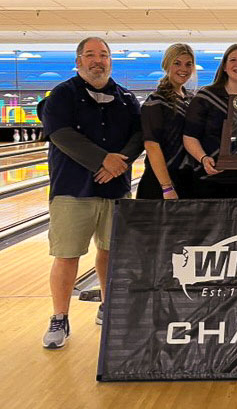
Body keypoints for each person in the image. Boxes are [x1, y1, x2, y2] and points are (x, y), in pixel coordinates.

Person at [38, 37, 143, 349]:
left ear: (111, 60)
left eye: (103, 55)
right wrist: (103, 160)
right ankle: (59, 318)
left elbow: (139, 135)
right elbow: (61, 134)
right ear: (79, 60)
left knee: (112, 252)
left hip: (116, 188)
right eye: (90, 55)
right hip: (72, 188)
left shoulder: (126, 98)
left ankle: (107, 307)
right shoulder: (62, 94)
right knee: (67, 255)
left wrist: (118, 163)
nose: (98, 60)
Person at [183, 44, 237, 198]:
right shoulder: (205, 96)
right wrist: (203, 158)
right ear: (225, 67)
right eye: (233, 60)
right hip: (208, 179)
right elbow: (189, 136)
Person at [136, 43, 195, 199]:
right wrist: (167, 187)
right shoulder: (155, 101)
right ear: (166, 65)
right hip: (160, 183)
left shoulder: (190, 99)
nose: (184, 69)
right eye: (177, 63)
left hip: (187, 179)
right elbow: (151, 145)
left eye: (188, 64)